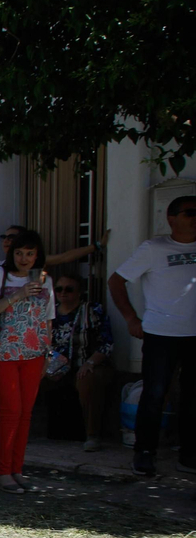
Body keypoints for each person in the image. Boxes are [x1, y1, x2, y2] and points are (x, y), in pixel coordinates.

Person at [109, 195, 196, 477]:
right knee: (154, 394)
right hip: (161, 334)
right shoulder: (154, 248)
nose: (195, 217)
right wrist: (131, 318)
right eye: (189, 212)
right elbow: (116, 281)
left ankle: (189, 454)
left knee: (193, 397)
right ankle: (144, 452)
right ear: (171, 218)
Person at [0, 230, 54, 493]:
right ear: (11, 254)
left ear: (38, 255)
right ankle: (2, 473)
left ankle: (16, 470)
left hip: (34, 355)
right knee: (10, 411)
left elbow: (48, 319)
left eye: (30, 253)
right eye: (19, 253)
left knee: (25, 414)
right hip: (2, 354)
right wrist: (17, 294)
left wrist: (48, 353)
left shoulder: (46, 279)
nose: (24, 259)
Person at [43, 270, 114, 449]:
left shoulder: (92, 310)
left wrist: (90, 362)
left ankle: (92, 435)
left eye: (69, 289)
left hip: (87, 364)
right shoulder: (47, 313)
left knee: (86, 378)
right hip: (55, 365)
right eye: (58, 289)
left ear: (79, 291)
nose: (63, 293)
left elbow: (107, 343)